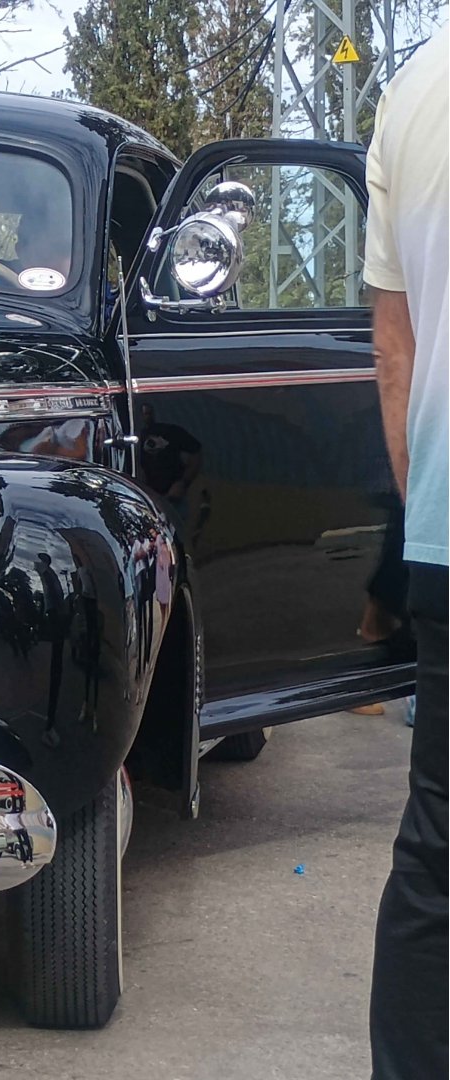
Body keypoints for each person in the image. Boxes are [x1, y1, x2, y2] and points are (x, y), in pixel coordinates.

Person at [363, 24, 449, 1080]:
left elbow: (394, 347)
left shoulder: (415, 85)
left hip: (445, 526)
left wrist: (423, 504)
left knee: (437, 857)